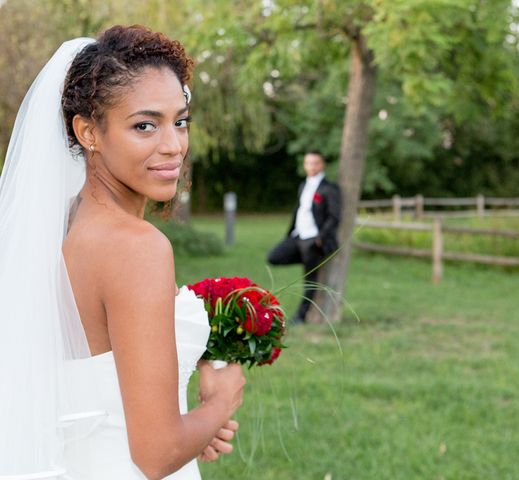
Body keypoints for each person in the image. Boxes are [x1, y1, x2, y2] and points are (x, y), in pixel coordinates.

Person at [0, 26, 245, 479]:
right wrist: (220, 402)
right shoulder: (136, 248)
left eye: (180, 120)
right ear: (89, 131)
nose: (173, 145)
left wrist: (197, 429)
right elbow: (156, 453)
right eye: (145, 125)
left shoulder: (61, 225)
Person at [267, 151, 341, 324]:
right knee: (274, 257)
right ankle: (309, 260)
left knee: (310, 282)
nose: (312, 166)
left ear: (322, 165)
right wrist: (291, 233)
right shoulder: (303, 185)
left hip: (313, 239)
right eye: (308, 163)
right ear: (304, 165)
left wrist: (320, 237)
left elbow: (334, 216)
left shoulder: (329, 188)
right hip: (298, 236)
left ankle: (301, 316)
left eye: (315, 163)